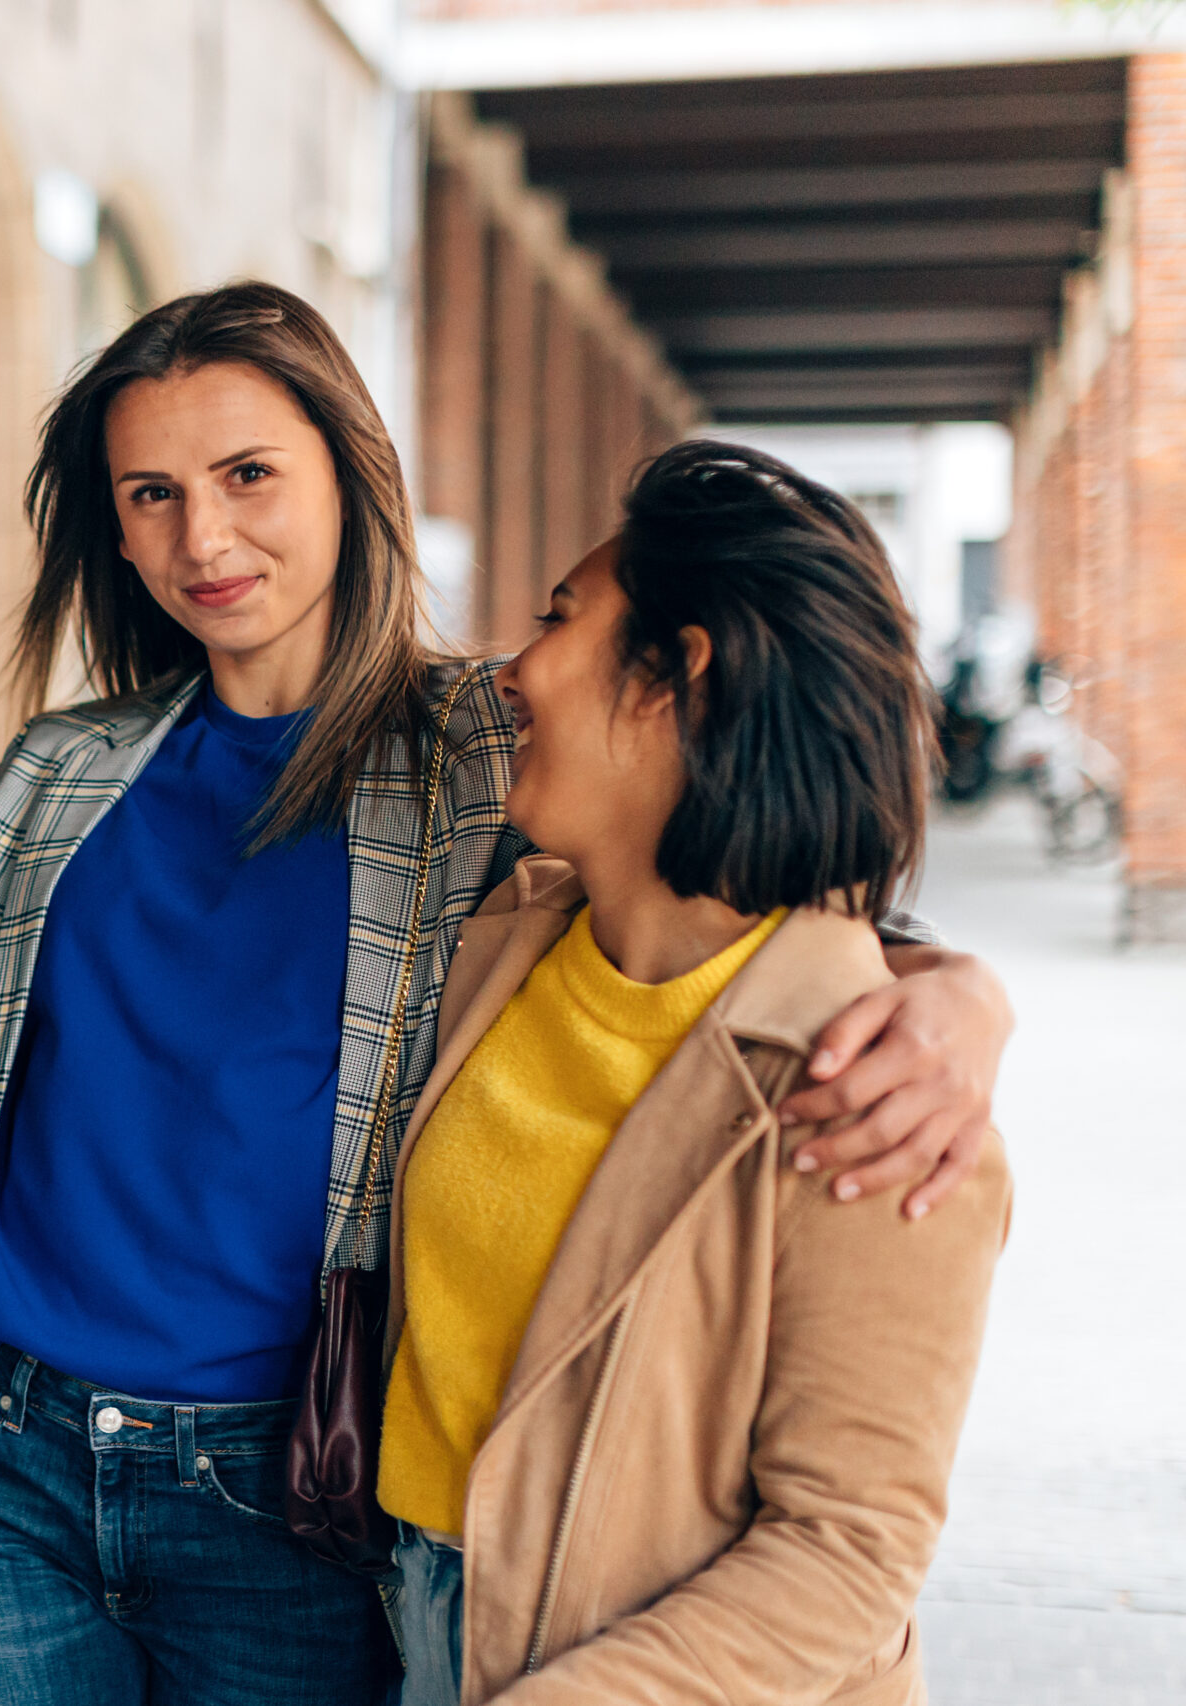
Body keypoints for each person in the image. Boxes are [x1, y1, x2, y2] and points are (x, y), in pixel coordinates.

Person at [0, 283, 1015, 1705]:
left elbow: (742, 893)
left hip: (284, 1484)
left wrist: (962, 994)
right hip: (1, 1455)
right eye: (152, 493)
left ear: (353, 477)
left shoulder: (490, 756)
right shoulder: (63, 776)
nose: (204, 537)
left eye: (248, 476)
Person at [377, 440, 1011, 1703]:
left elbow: (846, 1551)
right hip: (401, 1614)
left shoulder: (875, 1096)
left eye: (561, 618)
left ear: (675, 675)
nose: (513, 669)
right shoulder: (504, 933)